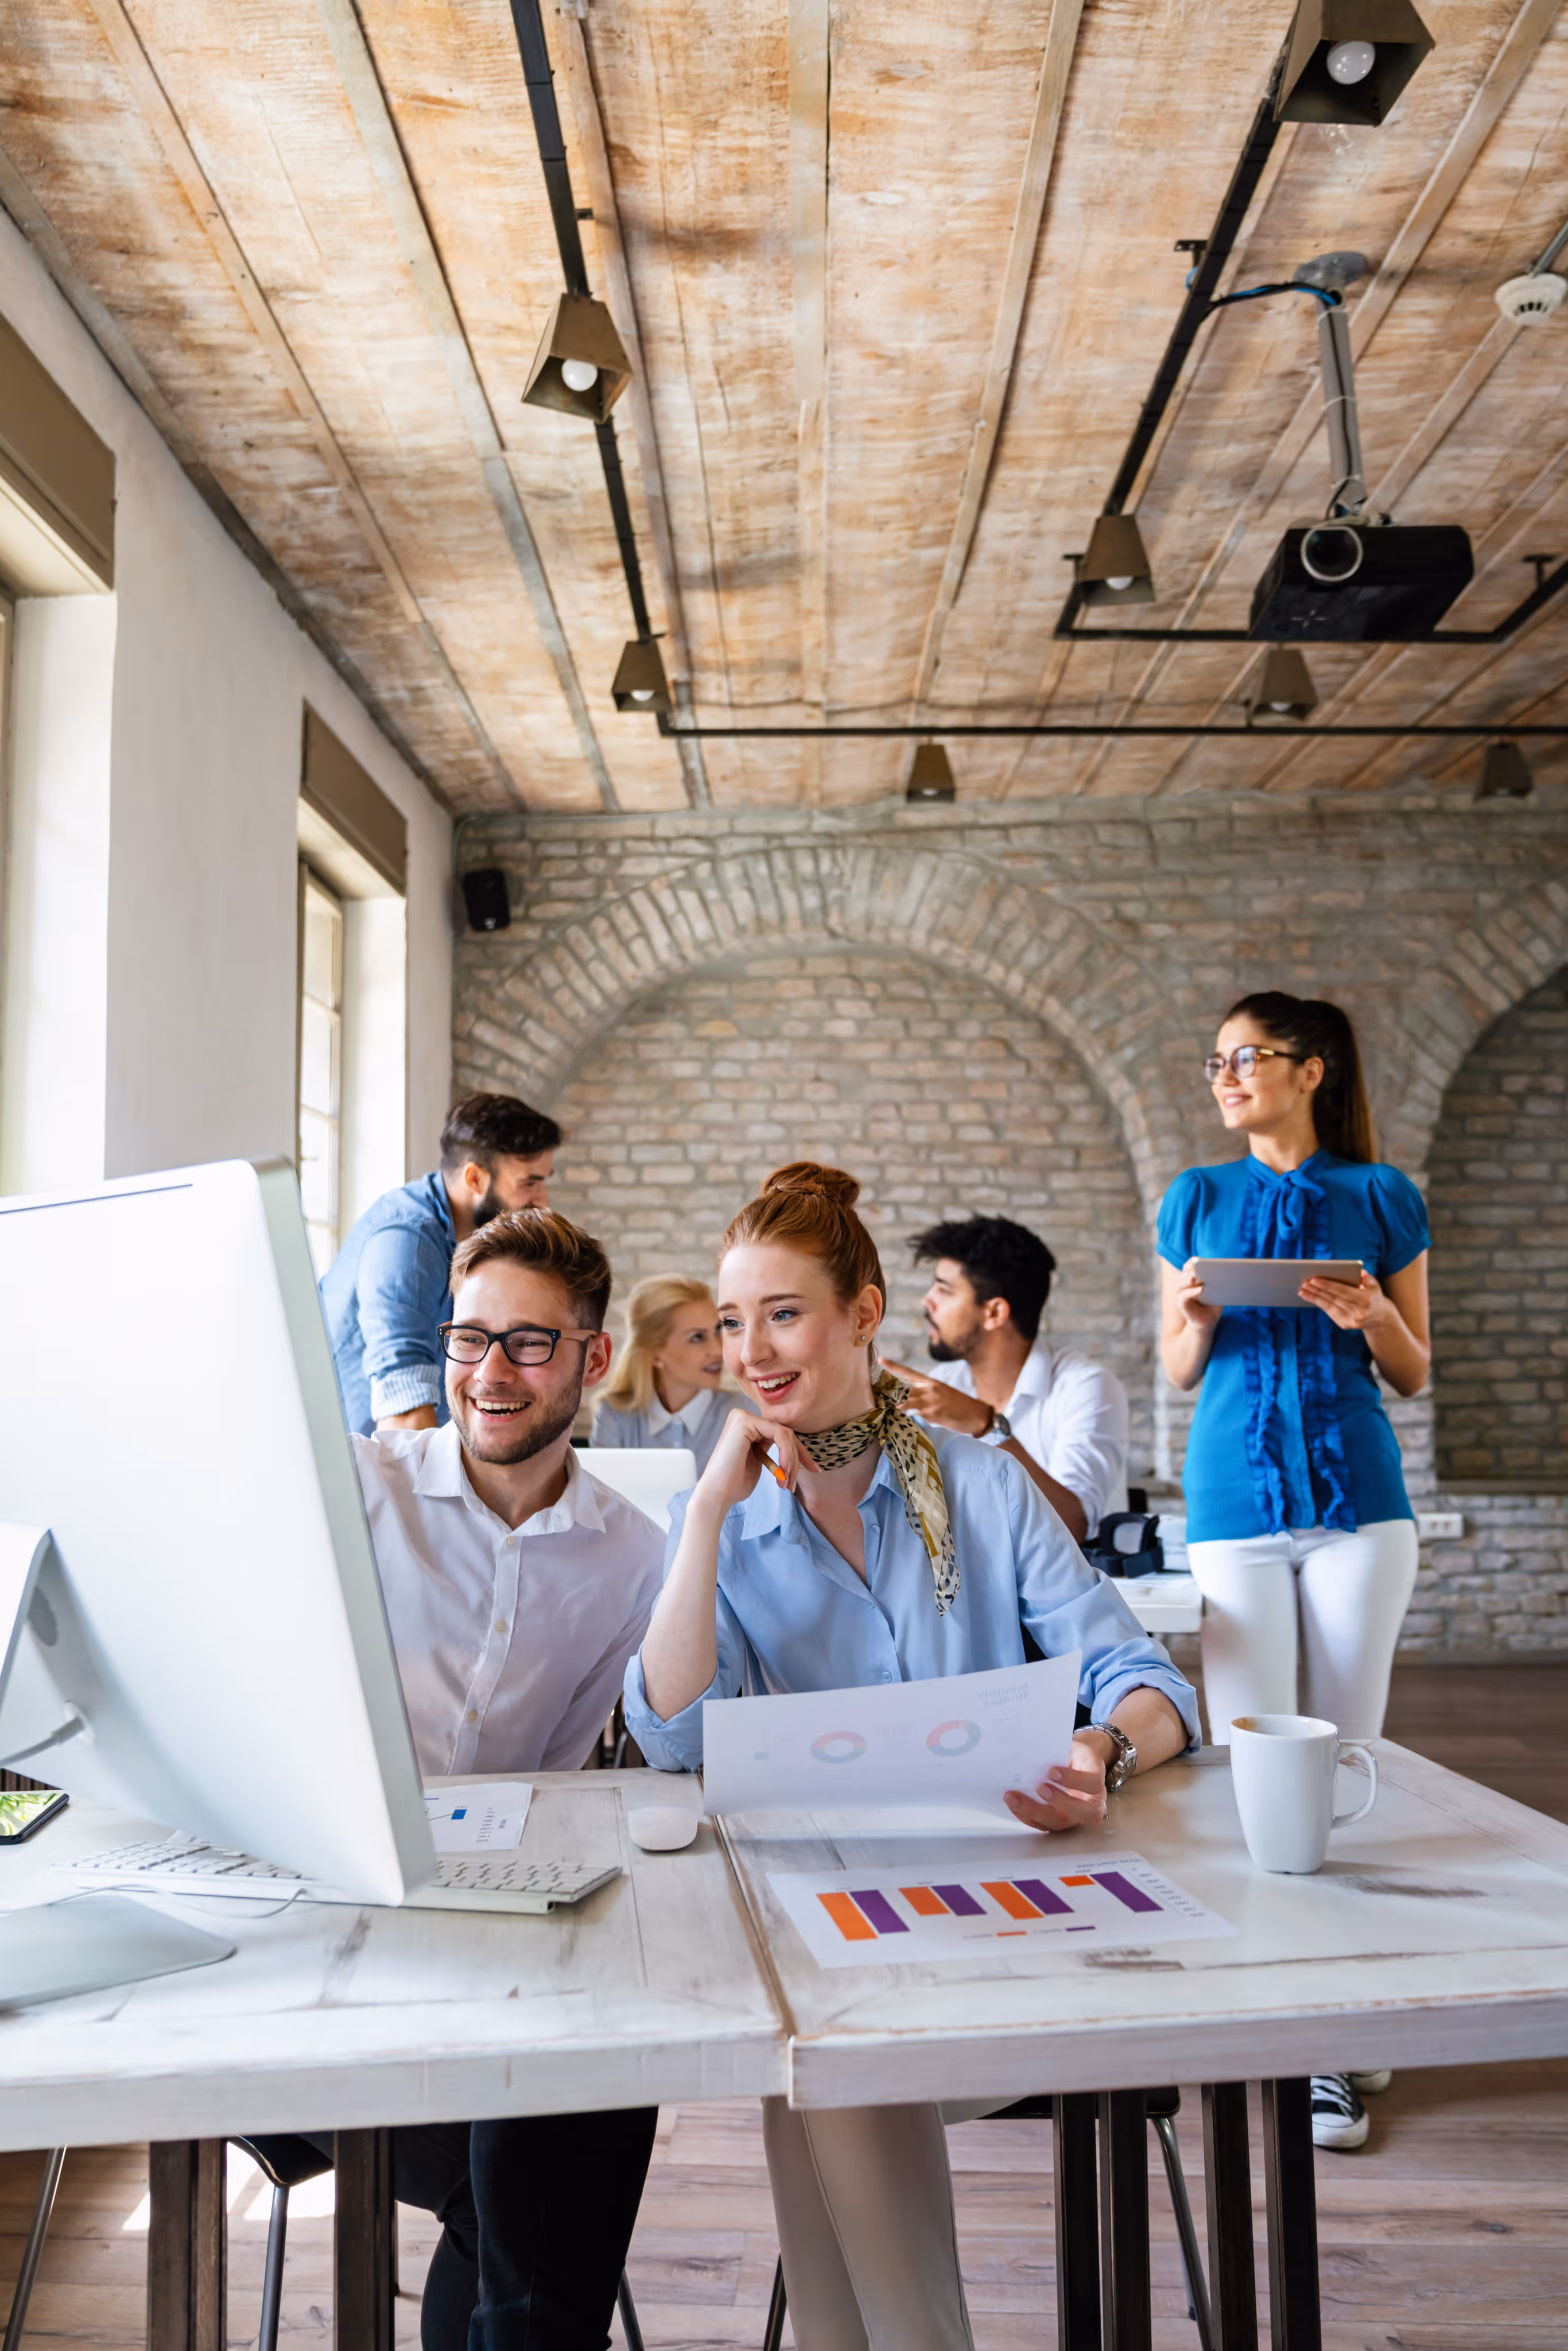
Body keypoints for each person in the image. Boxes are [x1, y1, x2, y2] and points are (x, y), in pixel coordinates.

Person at [624, 1163, 1197, 2351]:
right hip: (832, 1934)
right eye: (731, 1322)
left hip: (1008, 1931)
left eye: (784, 1313)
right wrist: (704, 1518)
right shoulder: (727, 1519)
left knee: (825, 2058)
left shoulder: (983, 1488)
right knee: (825, 2042)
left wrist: (1098, 1750)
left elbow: (1150, 1684)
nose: (750, 1351)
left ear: (864, 1313)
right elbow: (674, 1737)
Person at [311, 1205, 666, 2346]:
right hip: (313, 1950)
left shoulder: (629, 1553)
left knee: (598, 2083)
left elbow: (552, 1788)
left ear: (592, 1359)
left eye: (527, 1342)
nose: (490, 1371)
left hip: (471, 1949)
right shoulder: (357, 1488)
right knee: (535, 2160)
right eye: (469, 1338)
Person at [1158, 991, 1431, 2155]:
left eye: (1246, 1058)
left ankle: (1344, 2034)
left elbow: (1412, 1372)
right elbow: (1178, 1367)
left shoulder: (1382, 1193)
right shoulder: (1194, 1195)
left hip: (1360, 1506)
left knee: (1349, 1757)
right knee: (1251, 1767)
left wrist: (1371, 1315)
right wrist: (1190, 1311)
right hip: (1229, 1502)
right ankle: (1271, 2007)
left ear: (1310, 1069)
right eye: (1215, 1062)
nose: (1226, 1077)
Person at [320, 1092, 560, 1436]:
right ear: (475, 1179)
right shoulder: (408, 1240)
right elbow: (403, 1414)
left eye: (544, 1180)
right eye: (530, 1183)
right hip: (349, 1461)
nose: (544, 1201)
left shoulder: (467, 1242)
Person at [887, 1213, 1130, 1543]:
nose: (926, 1301)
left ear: (994, 1313)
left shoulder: (1086, 1388)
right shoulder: (945, 1382)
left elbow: (1073, 1525)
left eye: (944, 1290)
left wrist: (988, 1428)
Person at [591, 1273, 758, 1475]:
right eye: (697, 1337)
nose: (717, 1350)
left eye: (717, 1330)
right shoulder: (614, 1417)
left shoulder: (749, 1413)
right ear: (654, 1353)